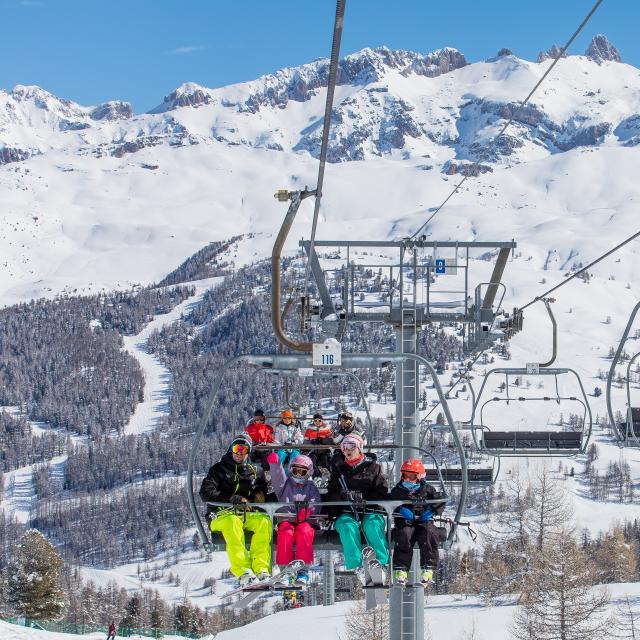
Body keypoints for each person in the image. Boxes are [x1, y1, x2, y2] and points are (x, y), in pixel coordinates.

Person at [199, 436, 272, 585]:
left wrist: (259, 493)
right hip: (220, 515)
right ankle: (243, 570)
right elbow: (205, 492)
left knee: (264, 522)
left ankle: (261, 569)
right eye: (236, 449)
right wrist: (232, 499)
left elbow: (261, 487)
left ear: (248, 452)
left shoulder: (254, 470)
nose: (239, 453)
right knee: (232, 522)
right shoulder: (218, 469)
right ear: (230, 449)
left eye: (243, 449)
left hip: (244, 514)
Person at [325, 433, 389, 583]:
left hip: (370, 511)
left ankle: (381, 564)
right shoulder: (339, 471)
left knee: (373, 525)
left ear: (359, 448)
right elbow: (330, 495)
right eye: (344, 447)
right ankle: (358, 566)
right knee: (347, 527)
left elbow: (382, 493)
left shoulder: (373, 468)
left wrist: (364, 498)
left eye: (351, 446)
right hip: (346, 513)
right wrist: (343, 498)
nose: (347, 450)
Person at [390, 458, 446, 586]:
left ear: (419, 477)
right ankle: (401, 570)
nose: (408, 480)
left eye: (412, 476)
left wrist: (432, 511)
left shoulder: (427, 489)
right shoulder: (398, 490)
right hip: (405, 520)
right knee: (404, 535)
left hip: (423, 520)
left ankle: (428, 567)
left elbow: (440, 500)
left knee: (428, 533)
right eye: (405, 476)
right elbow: (389, 502)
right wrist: (400, 509)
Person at [267, 451, 320, 586]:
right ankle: (285, 571)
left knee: (304, 532)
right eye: (295, 471)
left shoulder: (311, 487)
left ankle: (303, 571)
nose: (298, 474)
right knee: (285, 532)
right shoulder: (285, 485)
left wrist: (307, 512)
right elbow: (278, 477)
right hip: (287, 519)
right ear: (291, 470)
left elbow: (316, 503)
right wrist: (275, 464)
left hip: (305, 521)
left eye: (302, 472)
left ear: (308, 473)